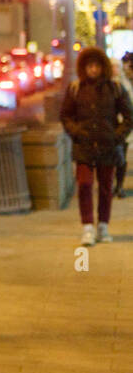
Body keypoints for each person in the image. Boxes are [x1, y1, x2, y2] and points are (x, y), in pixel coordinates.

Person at [61, 47, 133, 244]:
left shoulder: (115, 88)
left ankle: (103, 225)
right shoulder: (76, 88)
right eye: (89, 66)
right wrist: (76, 132)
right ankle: (87, 226)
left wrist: (116, 136)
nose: (93, 70)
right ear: (84, 67)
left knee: (106, 187)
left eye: (97, 66)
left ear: (103, 67)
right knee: (84, 184)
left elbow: (129, 116)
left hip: (107, 146)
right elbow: (65, 115)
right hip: (84, 145)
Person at [116, 53, 133, 198]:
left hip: (125, 125)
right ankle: (117, 186)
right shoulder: (117, 82)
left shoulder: (127, 82)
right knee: (117, 156)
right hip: (115, 124)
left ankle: (119, 186)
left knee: (121, 156)